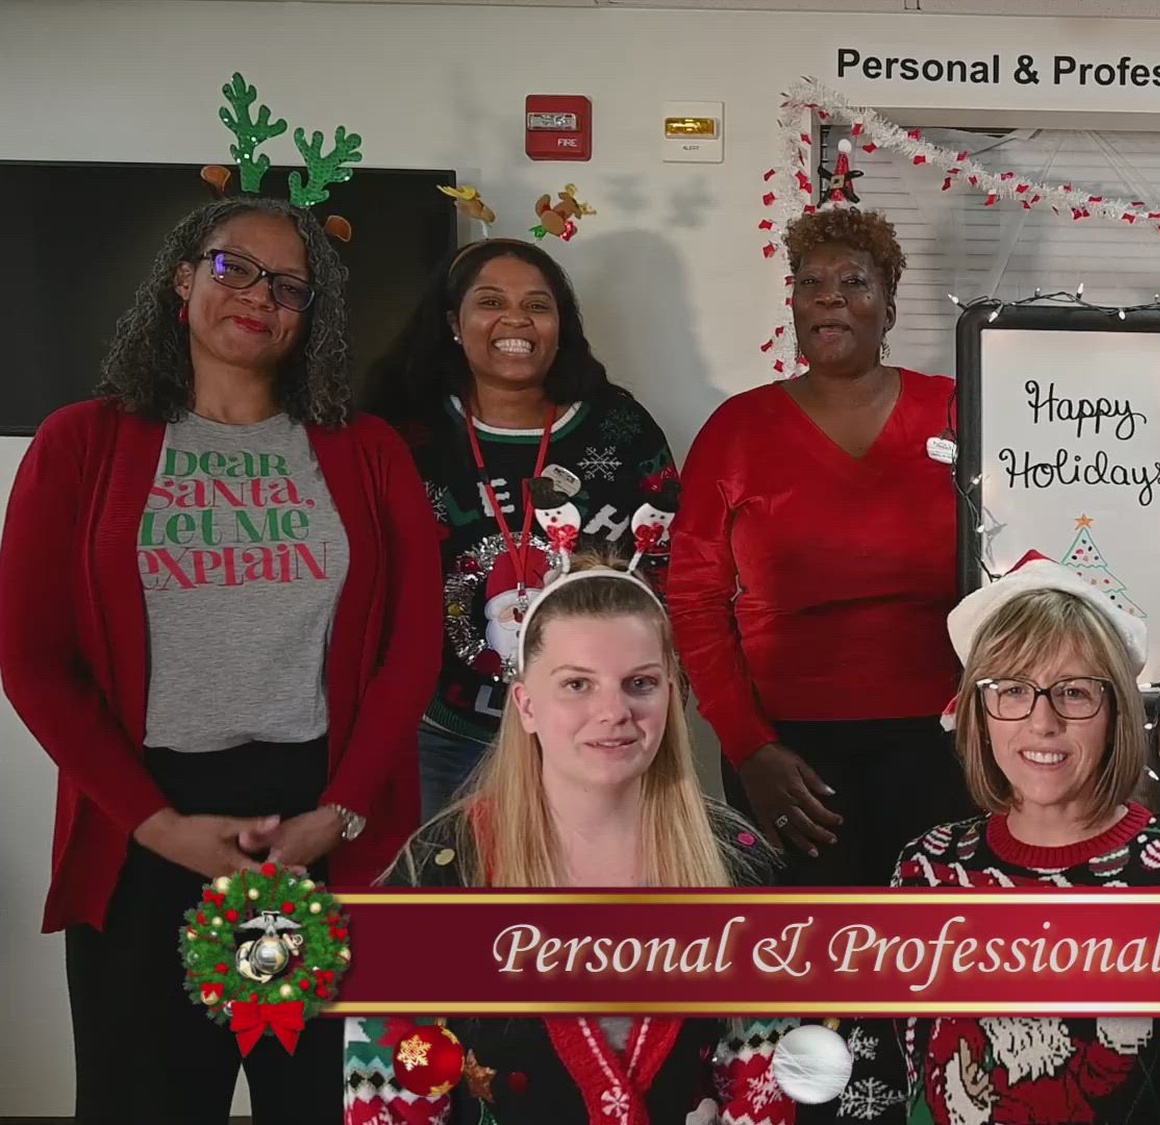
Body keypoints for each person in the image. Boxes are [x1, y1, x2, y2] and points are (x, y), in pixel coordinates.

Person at [0, 195, 442, 1123]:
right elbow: (33, 659)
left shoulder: (367, 453)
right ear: (183, 278)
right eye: (233, 265)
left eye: (290, 285)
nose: (258, 296)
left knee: (319, 1103)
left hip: (316, 833)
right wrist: (157, 826)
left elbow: (412, 643)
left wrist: (339, 811)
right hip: (145, 834)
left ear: (310, 314)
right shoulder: (80, 443)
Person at [341, 553, 808, 1125]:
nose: (613, 711)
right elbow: (388, 1099)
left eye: (640, 683)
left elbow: (766, 1089)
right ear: (527, 705)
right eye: (577, 684)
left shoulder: (737, 859)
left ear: (671, 696)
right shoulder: (439, 867)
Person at [832, 551, 1160, 1123]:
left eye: (1074, 691)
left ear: (1116, 711)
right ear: (979, 712)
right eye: (1013, 690)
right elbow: (875, 1079)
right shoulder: (927, 869)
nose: (1043, 722)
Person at [667, 204, 968, 886]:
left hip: (942, 740)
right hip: (787, 751)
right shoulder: (736, 429)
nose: (829, 295)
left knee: (925, 951)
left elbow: (1008, 567)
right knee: (806, 958)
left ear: (888, 309)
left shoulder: (957, 408)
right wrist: (748, 749)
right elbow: (693, 599)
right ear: (794, 303)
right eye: (811, 282)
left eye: (854, 282)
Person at [364, 238, 681, 819]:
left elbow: (669, 572)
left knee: (589, 899)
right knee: (457, 897)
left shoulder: (619, 428)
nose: (516, 319)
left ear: (562, 327)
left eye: (538, 305)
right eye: (490, 302)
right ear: (454, 324)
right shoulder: (403, 435)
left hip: (591, 733)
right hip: (447, 733)